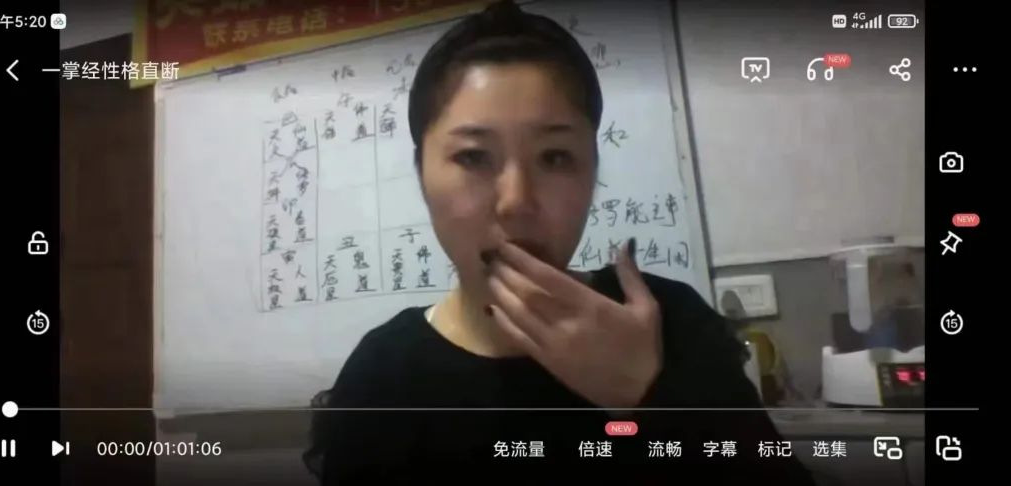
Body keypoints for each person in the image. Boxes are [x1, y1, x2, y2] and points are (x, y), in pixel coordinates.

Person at [305, 2, 814, 484]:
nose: (516, 202)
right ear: (421, 175)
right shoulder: (383, 375)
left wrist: (646, 393)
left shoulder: (672, 324)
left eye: (554, 157)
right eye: (474, 157)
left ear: (593, 171)